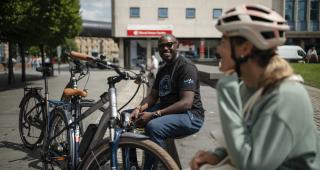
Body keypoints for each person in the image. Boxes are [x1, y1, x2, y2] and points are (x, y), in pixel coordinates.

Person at [190, 4, 320, 170]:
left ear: (244, 48)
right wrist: (218, 154)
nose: (218, 49)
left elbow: (252, 165)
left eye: (223, 42)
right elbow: (245, 134)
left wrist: (226, 90)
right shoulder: (249, 87)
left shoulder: (285, 97)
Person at [129, 34, 205, 168]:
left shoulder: (186, 67)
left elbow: (186, 103)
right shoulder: (163, 70)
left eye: (169, 45)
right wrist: (138, 109)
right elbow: (152, 96)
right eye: (161, 46)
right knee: (126, 118)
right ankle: (132, 164)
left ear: (177, 46)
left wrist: (153, 114)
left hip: (190, 115)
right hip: (168, 109)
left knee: (154, 126)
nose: (165, 48)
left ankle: (151, 167)